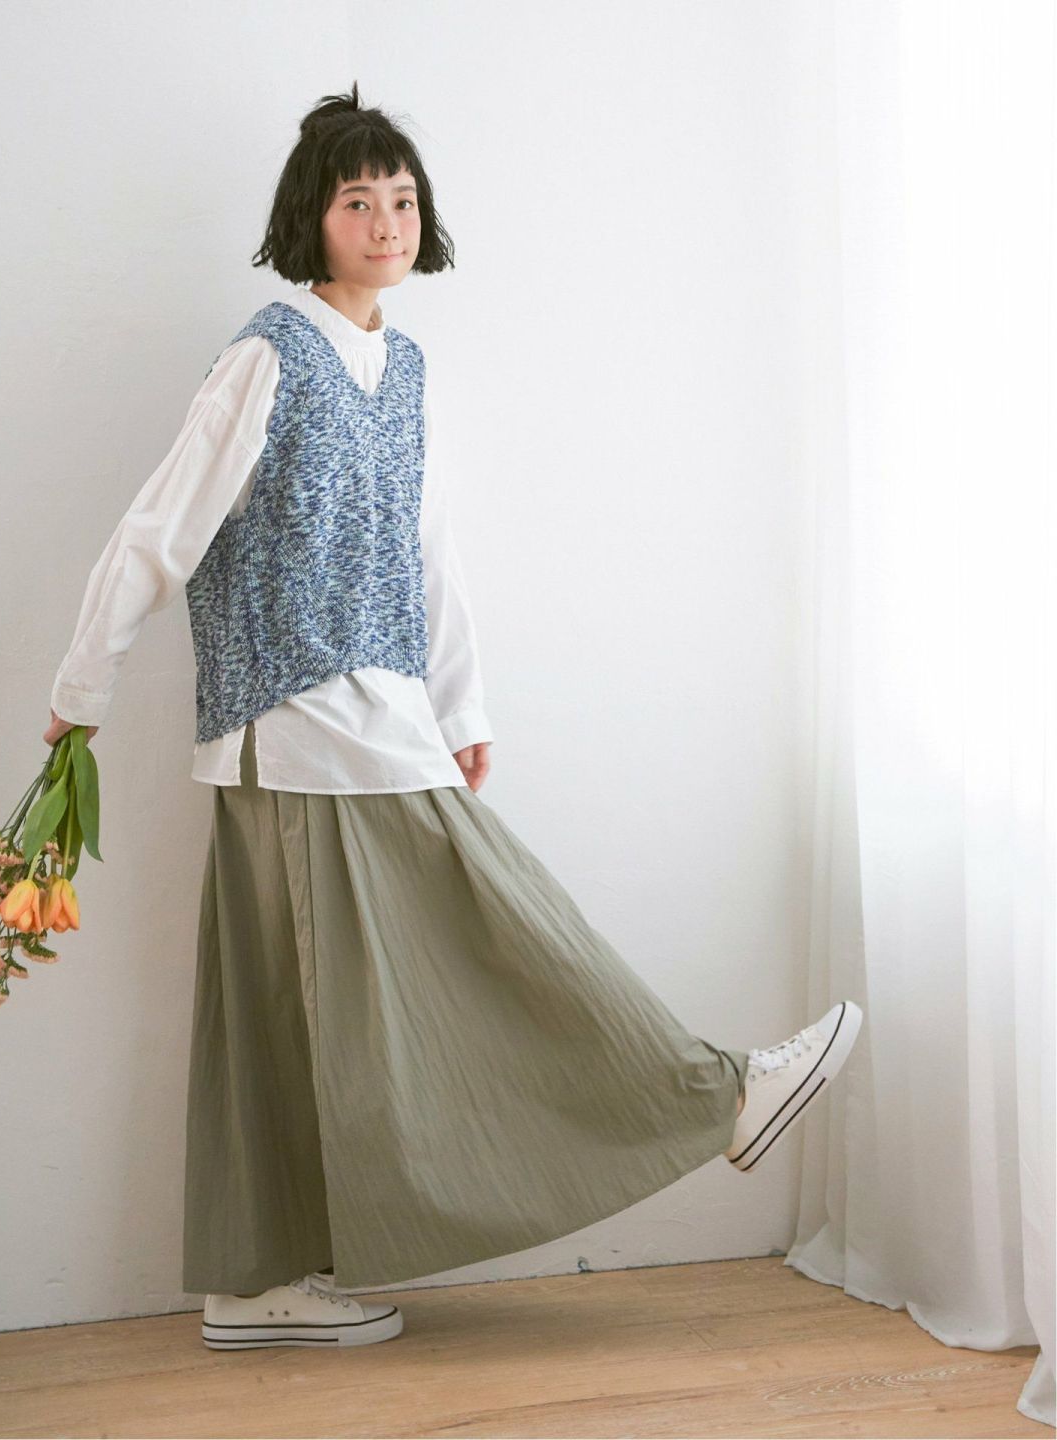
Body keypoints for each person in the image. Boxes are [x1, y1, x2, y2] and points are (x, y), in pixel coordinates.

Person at [46, 82, 863, 1354]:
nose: (386, 221)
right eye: (357, 200)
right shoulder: (267, 355)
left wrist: (460, 701)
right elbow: (162, 528)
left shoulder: (407, 368)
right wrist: (79, 692)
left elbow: (426, 552)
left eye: (403, 199)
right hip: (291, 718)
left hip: (377, 716)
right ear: (310, 220)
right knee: (495, 935)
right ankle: (718, 1099)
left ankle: (258, 1280)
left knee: (290, 1005)